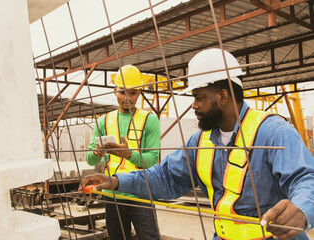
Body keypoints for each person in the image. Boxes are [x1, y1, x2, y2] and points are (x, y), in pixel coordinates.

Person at [81, 49, 314, 240]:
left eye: (199, 97)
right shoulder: (200, 141)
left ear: (223, 97)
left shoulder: (273, 132)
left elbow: (306, 179)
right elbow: (166, 177)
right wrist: (116, 181)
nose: (193, 105)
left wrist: (302, 208)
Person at [85, 64, 161, 240]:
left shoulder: (149, 121)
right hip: (113, 195)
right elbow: (89, 159)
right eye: (122, 92)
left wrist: (128, 154)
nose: (127, 97)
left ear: (140, 93)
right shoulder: (103, 121)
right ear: (115, 91)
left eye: (133, 93)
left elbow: (152, 160)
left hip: (141, 193)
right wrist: (96, 153)